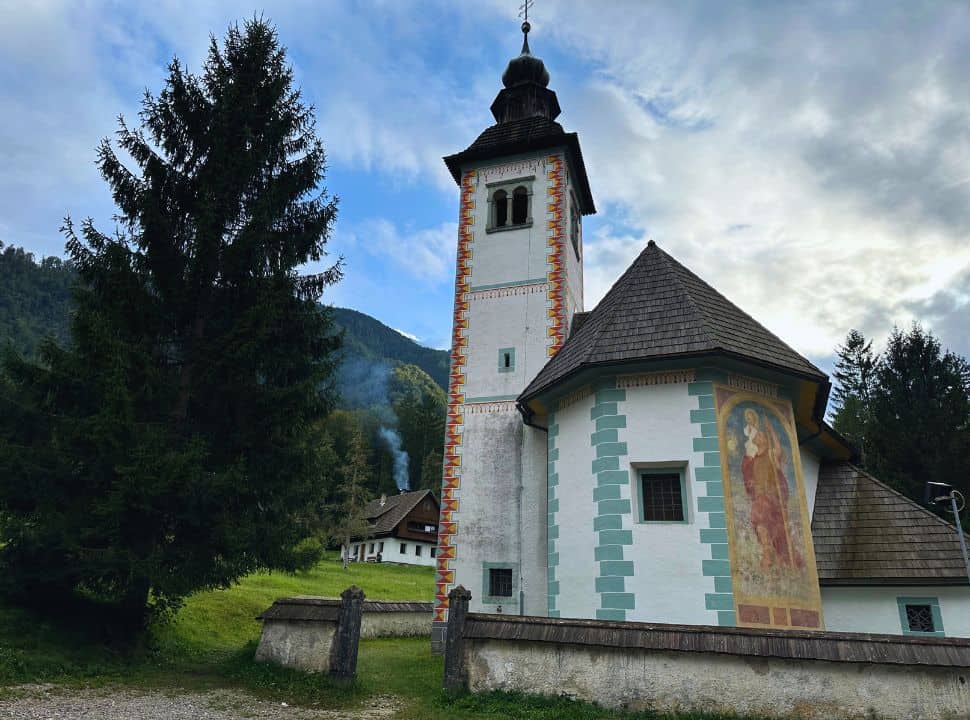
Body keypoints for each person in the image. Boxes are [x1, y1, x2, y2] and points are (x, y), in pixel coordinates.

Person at [741, 408, 800, 569]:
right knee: (759, 522)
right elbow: (748, 477)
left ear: (766, 440)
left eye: (760, 435)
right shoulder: (752, 459)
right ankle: (767, 554)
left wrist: (772, 431)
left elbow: (779, 450)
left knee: (772, 527)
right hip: (760, 497)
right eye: (757, 435)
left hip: (772, 497)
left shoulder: (771, 454)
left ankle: (775, 556)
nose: (757, 436)